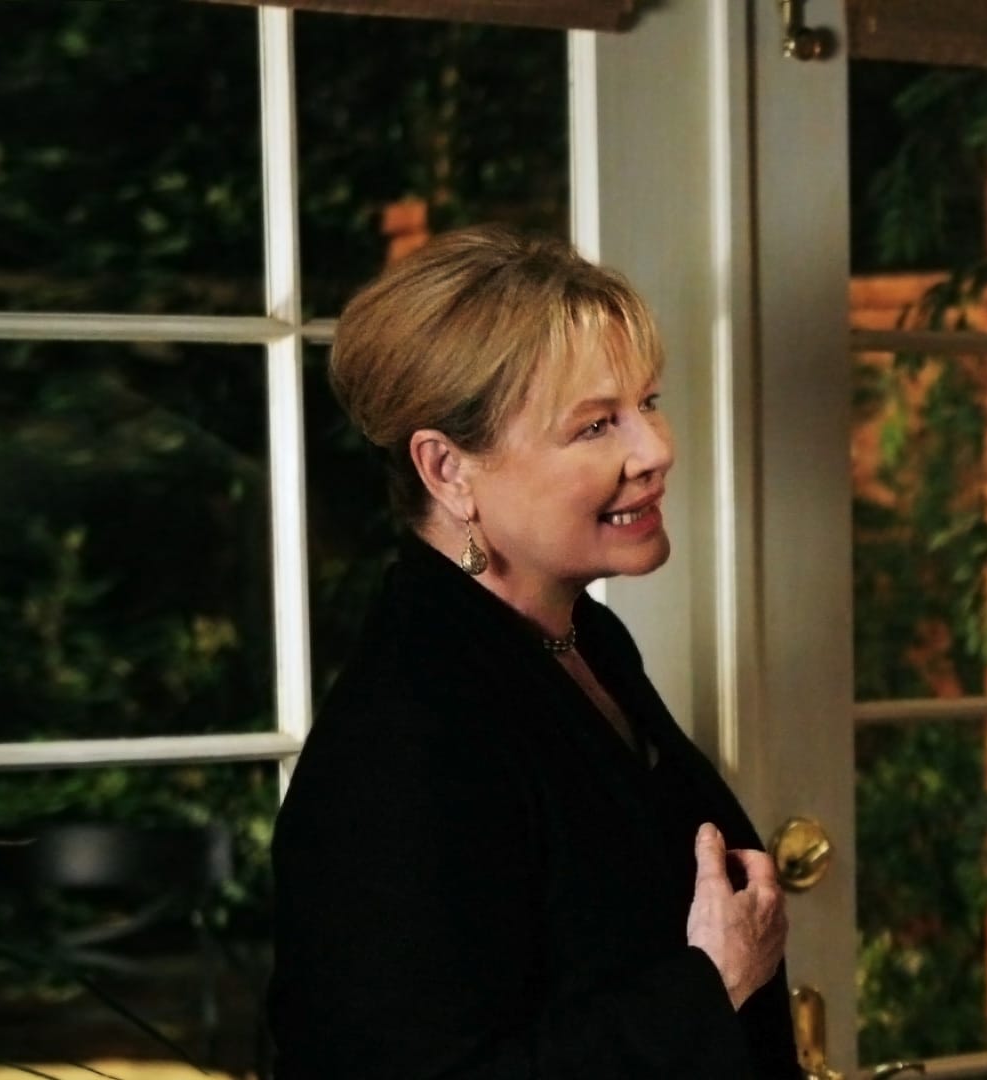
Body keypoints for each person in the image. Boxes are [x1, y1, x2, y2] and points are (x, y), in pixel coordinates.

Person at [266, 225, 797, 1077]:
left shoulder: (586, 642)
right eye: (595, 426)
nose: (655, 450)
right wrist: (709, 985)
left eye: (648, 403)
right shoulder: (408, 732)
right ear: (447, 470)